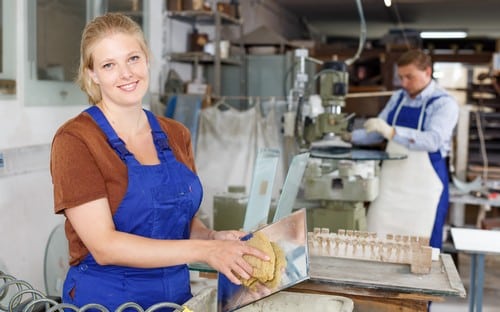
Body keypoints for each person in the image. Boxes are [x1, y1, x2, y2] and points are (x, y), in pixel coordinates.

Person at [50, 13, 269, 311]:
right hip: (107, 301)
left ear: (147, 59)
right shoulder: (75, 141)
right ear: (92, 75)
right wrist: (207, 250)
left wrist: (213, 236)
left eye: (133, 58)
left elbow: (178, 220)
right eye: (108, 65)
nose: (126, 73)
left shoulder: (175, 134)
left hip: (176, 300)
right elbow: (104, 246)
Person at [349, 49, 459, 249]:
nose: (404, 83)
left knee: (424, 246)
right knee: (376, 236)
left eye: (410, 77)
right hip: (391, 186)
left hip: (425, 187)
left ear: (427, 71)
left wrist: (392, 133)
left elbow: (433, 140)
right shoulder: (399, 97)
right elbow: (377, 132)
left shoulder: (444, 103)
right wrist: (347, 137)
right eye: (401, 77)